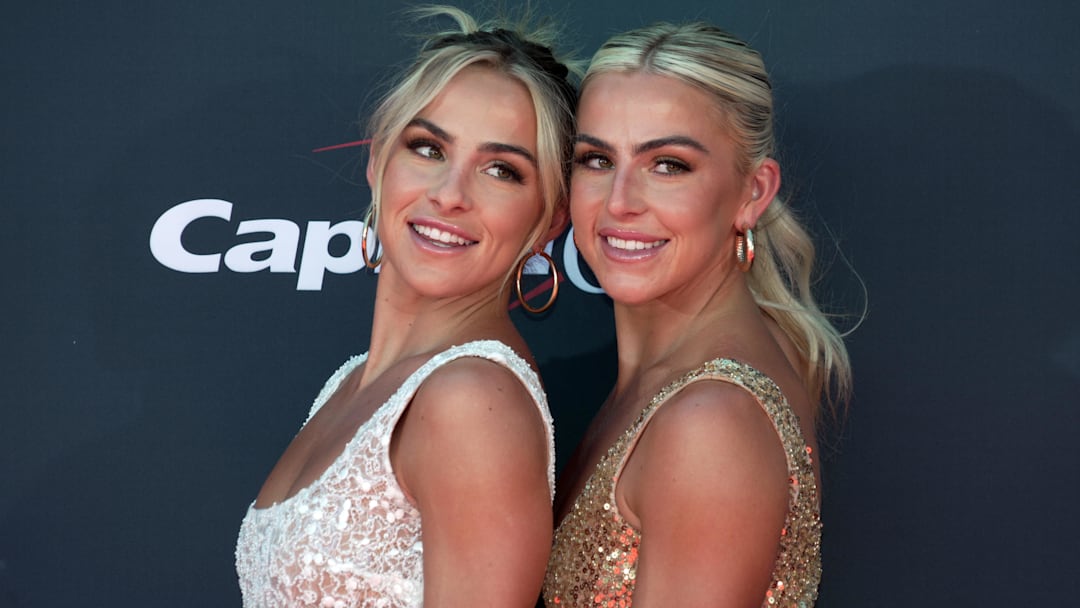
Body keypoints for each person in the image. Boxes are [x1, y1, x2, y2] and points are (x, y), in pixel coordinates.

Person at [235, 6, 577, 607]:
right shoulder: (351, 381)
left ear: (549, 219)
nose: (449, 195)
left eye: (502, 170)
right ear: (377, 164)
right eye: (427, 148)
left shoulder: (471, 402)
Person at [542, 22, 853, 608]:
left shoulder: (709, 422)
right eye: (596, 159)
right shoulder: (693, 375)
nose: (619, 201)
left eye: (669, 165)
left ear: (752, 193)